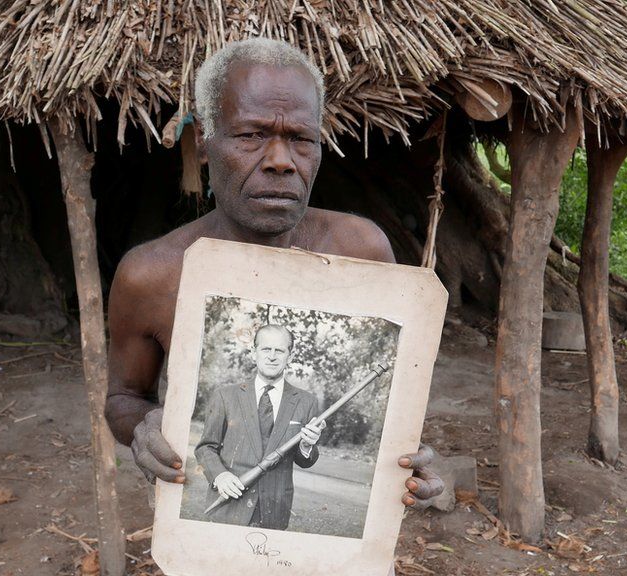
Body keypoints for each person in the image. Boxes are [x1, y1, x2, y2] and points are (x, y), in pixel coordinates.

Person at [104, 37, 443, 528]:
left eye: (301, 139)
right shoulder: (152, 275)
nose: (281, 160)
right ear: (202, 144)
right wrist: (145, 429)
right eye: (251, 135)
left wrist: (410, 464)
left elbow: (395, 410)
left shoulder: (362, 252)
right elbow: (123, 401)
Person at [195, 324, 325, 530]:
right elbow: (205, 448)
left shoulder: (306, 401)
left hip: (273, 513)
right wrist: (220, 475)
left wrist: (307, 446)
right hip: (228, 505)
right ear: (254, 353)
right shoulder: (225, 395)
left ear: (289, 356)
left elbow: (305, 461)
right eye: (266, 349)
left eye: (279, 350)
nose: (272, 356)